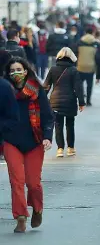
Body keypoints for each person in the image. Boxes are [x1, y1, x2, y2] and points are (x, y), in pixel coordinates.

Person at [3, 57, 54, 233]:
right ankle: (21, 217)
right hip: (11, 141)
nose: (15, 73)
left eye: (18, 69)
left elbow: (48, 116)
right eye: (11, 71)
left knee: (33, 183)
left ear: (26, 72)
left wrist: (48, 136)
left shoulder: (36, 90)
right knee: (16, 181)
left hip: (34, 141)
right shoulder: (4, 91)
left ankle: (37, 209)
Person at [44, 47, 85, 158]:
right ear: (72, 57)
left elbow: (46, 86)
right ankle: (71, 148)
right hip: (70, 101)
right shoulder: (73, 70)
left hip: (55, 100)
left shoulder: (53, 69)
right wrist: (81, 102)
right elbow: (78, 88)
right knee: (70, 124)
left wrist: (42, 100)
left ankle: (60, 149)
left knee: (58, 125)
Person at [77, 28, 100, 106]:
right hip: (91, 67)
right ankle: (88, 101)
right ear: (92, 33)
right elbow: (98, 57)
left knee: (80, 85)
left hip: (80, 66)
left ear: (85, 32)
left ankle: (81, 100)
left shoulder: (79, 42)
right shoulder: (96, 43)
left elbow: (75, 54)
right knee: (89, 85)